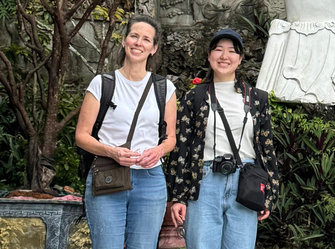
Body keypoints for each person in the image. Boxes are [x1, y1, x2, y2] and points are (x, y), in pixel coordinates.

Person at [167, 29, 279, 249]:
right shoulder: (195, 97)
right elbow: (181, 148)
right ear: (209, 56)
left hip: (245, 183)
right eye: (218, 50)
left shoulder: (257, 98)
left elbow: (267, 149)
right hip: (204, 182)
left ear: (240, 59)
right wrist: (178, 196)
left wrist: (270, 192)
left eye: (231, 51)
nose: (224, 56)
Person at [75, 15, 177, 249]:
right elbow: (81, 135)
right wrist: (111, 151)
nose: (138, 43)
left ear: (154, 48)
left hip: (150, 179)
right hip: (107, 174)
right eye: (134, 36)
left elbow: (171, 137)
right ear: (124, 41)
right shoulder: (102, 83)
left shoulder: (164, 88)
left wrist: (159, 150)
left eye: (146, 39)